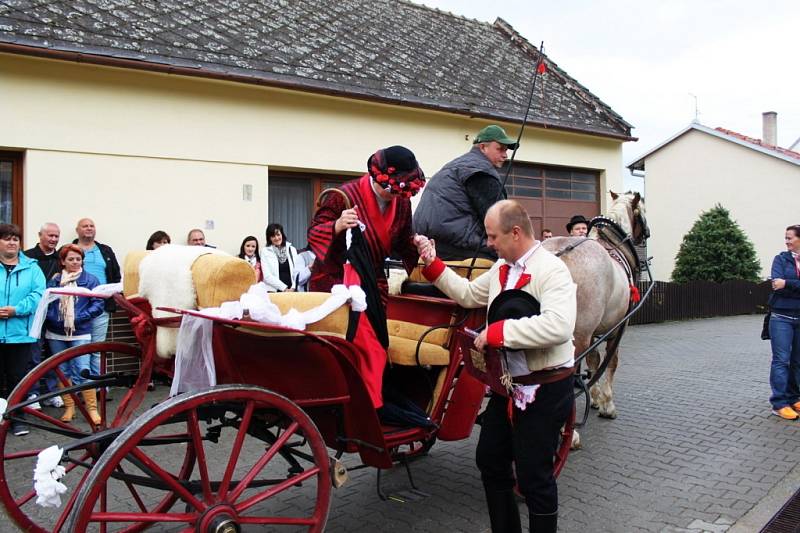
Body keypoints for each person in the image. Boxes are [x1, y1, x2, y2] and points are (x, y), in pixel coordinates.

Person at [414, 200, 576, 533]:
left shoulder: (552, 270)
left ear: (515, 233)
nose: (488, 243)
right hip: (509, 385)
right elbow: (469, 294)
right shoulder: (502, 267)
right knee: (490, 460)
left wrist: (498, 332)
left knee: (534, 477)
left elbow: (559, 326)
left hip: (545, 387)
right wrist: (433, 264)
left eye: (492, 236)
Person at [308, 145, 424, 407]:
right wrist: (337, 225)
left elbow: (404, 241)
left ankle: (371, 401)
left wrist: (418, 244)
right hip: (336, 283)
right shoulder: (343, 196)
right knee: (349, 347)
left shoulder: (402, 202)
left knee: (376, 346)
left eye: (401, 190)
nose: (395, 194)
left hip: (373, 285)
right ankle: (345, 400)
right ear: (376, 176)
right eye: (391, 188)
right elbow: (314, 232)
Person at [413, 124, 518, 260]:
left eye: (506, 151)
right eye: (500, 149)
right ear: (483, 147)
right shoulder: (479, 171)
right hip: (461, 249)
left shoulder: (455, 166)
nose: (505, 155)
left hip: (428, 246)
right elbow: (499, 219)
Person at [45, 244, 105, 424]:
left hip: (81, 332)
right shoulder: (55, 281)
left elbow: (98, 304)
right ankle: (70, 407)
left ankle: (92, 410)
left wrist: (80, 317)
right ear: (63, 261)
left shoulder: (91, 280)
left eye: (78, 259)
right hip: (56, 332)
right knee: (63, 371)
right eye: (70, 259)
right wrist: (56, 318)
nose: (75, 262)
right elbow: (46, 303)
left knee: (83, 369)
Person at [0, 223, 46, 436]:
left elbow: (38, 296)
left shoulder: (32, 268)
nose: (11, 242)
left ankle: (17, 419)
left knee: (17, 378)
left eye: (15, 239)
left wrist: (16, 310)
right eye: (7, 238)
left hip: (20, 334)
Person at [73, 218, 121, 379]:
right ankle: (82, 388)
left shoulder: (105, 251)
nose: (89, 228)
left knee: (98, 348)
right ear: (77, 230)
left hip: (101, 306)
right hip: (77, 308)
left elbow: (115, 275)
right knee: (80, 348)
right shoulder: (69, 250)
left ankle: (100, 388)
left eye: (92, 226)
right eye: (85, 226)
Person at [24, 222, 63, 408]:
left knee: (53, 354)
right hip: (35, 314)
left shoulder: (61, 258)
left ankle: (51, 392)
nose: (54, 239)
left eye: (56, 236)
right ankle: (32, 394)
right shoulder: (27, 257)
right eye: (50, 235)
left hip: (55, 314)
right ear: (40, 235)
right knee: (33, 355)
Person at [768, 224, 800, 420]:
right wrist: (787, 285)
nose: (786, 241)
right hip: (781, 317)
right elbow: (776, 284)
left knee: (798, 361)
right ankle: (779, 403)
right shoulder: (780, 259)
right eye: (785, 238)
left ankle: (794, 397)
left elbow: (783, 284)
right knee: (782, 360)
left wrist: (787, 283)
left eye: (790, 238)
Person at [262, 225, 299, 292]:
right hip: (275, 292)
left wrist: (293, 287)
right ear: (269, 238)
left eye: (278, 235)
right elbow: (267, 276)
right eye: (273, 236)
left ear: (282, 234)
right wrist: (284, 288)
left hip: (292, 291)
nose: (276, 238)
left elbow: (297, 271)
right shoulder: (265, 251)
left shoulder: (291, 249)